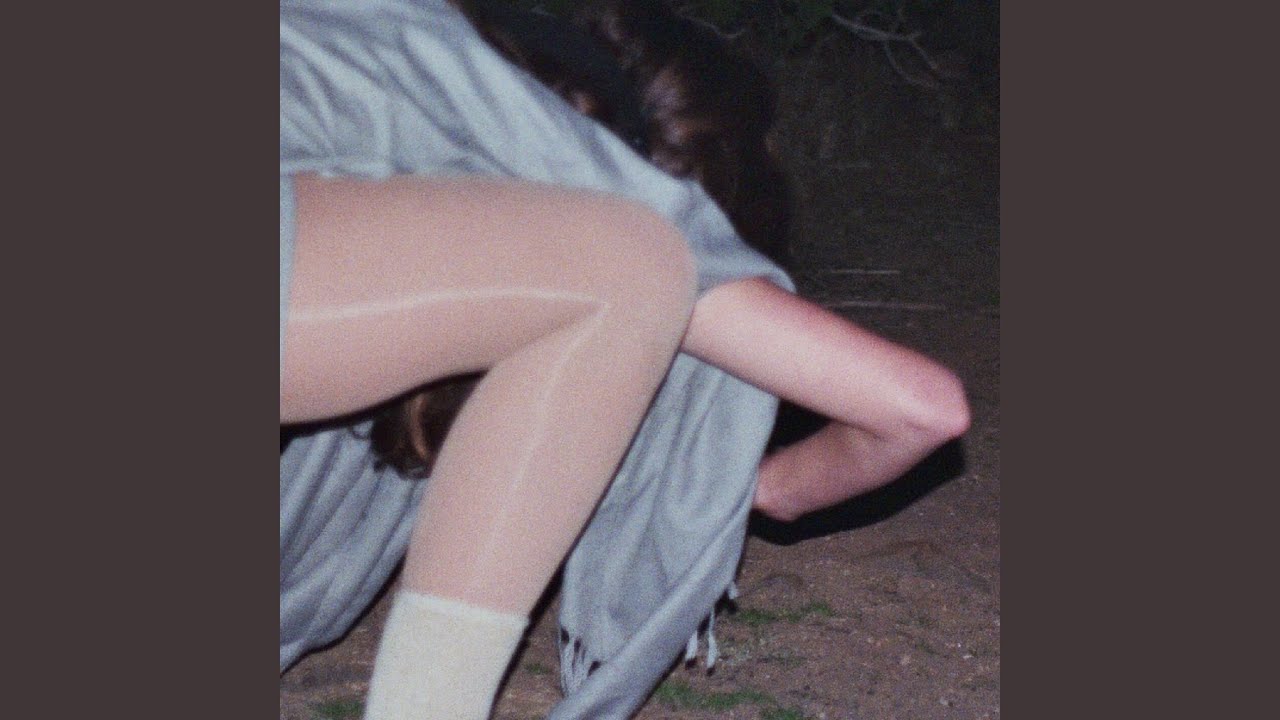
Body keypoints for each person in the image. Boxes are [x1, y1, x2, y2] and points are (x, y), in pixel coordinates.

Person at [280, 1, 968, 718]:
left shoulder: (427, 64)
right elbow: (919, 407)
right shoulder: (573, 162)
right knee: (640, 267)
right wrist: (759, 487)